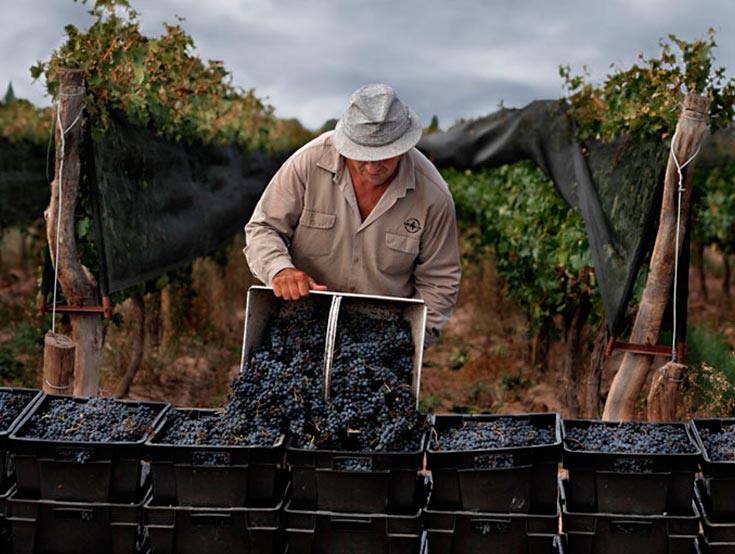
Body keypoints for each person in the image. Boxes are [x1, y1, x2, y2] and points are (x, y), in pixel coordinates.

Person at [244, 83, 461, 345]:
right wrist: (279, 270)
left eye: (384, 156)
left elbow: (439, 279)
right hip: (300, 325)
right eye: (361, 155)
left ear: (404, 146)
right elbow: (264, 228)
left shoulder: (433, 196)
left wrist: (411, 342)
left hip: (380, 335)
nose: (371, 167)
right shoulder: (307, 164)